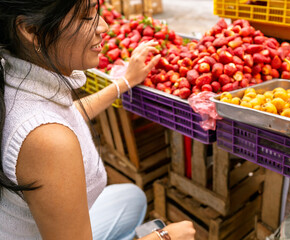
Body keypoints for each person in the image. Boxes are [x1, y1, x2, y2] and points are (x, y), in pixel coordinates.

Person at [0, 0, 196, 239]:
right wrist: (163, 237)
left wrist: (125, 82)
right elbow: (52, 129)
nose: (102, 26)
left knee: (132, 197)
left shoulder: (14, 78)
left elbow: (71, 112)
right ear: (30, 30)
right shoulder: (47, 139)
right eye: (85, 16)